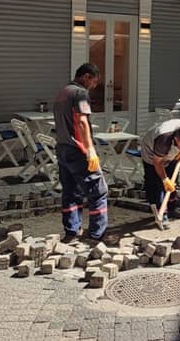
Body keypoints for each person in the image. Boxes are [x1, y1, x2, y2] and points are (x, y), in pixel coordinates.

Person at [53, 63, 109, 244]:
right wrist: (90, 149)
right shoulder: (80, 93)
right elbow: (82, 121)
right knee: (98, 192)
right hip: (78, 150)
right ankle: (97, 235)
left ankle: (71, 231)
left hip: (62, 148)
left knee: (70, 192)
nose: (94, 86)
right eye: (94, 81)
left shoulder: (63, 93)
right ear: (86, 76)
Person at [140, 120, 180, 226]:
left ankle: (172, 208)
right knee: (156, 183)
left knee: (173, 180)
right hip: (151, 153)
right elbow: (157, 162)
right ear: (177, 138)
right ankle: (161, 212)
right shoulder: (163, 139)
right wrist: (164, 179)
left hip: (172, 152)